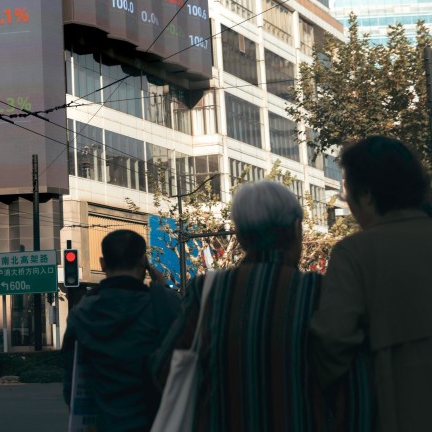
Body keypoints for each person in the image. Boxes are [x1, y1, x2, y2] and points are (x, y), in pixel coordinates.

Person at [153, 180, 370, 430]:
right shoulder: (317, 292)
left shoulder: (206, 292)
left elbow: (163, 367)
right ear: (296, 228)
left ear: (242, 237)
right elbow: (354, 387)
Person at [311, 136, 432, 430]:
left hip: (403, 406)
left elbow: (332, 338)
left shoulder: (354, 254)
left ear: (366, 195)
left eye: (349, 196)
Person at [61, 229, 181, 432]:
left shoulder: (82, 312)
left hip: (105, 423)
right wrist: (162, 291)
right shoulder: (164, 304)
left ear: (102, 264)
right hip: (157, 423)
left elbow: (70, 387)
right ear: (144, 263)